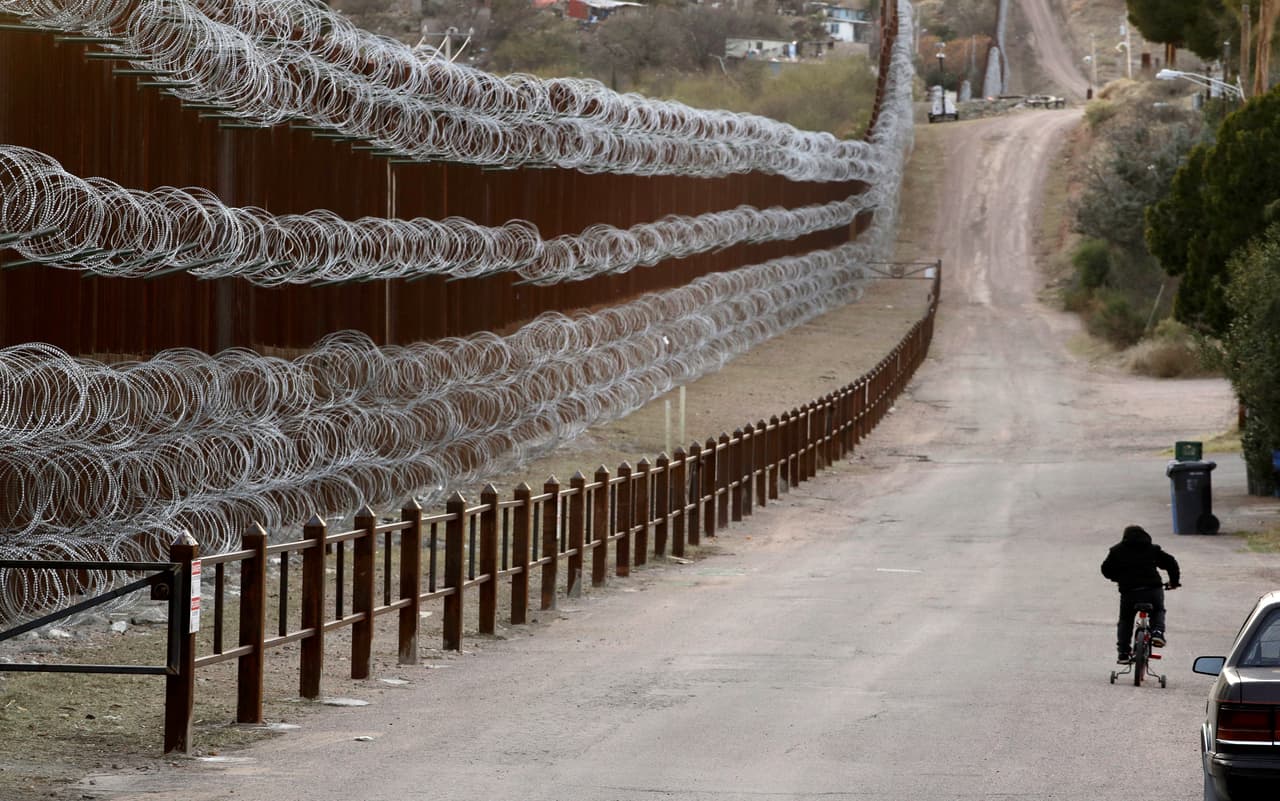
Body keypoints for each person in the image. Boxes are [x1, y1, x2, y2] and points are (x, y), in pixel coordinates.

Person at [1101, 525, 1181, 663]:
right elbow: (1171, 562)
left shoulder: (1117, 551)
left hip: (1130, 592)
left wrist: (1118, 578)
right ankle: (1158, 632)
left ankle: (1124, 653)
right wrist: (1174, 582)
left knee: (1126, 620)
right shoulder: (1152, 549)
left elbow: (1106, 569)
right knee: (1157, 610)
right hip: (1152, 590)